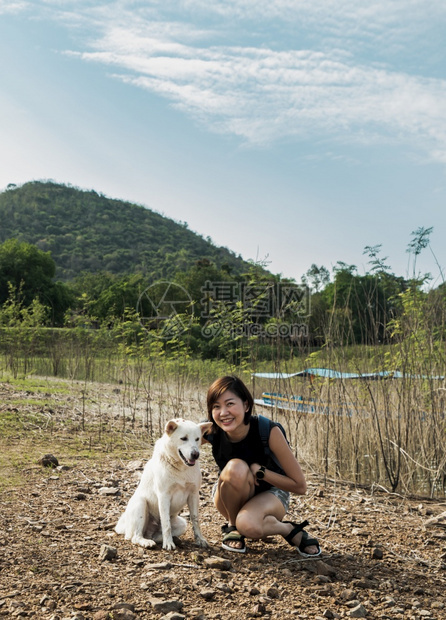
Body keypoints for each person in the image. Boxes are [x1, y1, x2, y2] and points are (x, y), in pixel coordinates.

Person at [203, 375, 321, 555]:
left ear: (246, 405)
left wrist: (261, 472)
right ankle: (233, 527)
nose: (223, 413)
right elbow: (175, 443)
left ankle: (286, 529)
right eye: (216, 407)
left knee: (249, 526)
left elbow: (300, 486)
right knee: (235, 467)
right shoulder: (211, 430)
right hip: (228, 495)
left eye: (230, 404)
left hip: (271, 495)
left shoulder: (267, 431)